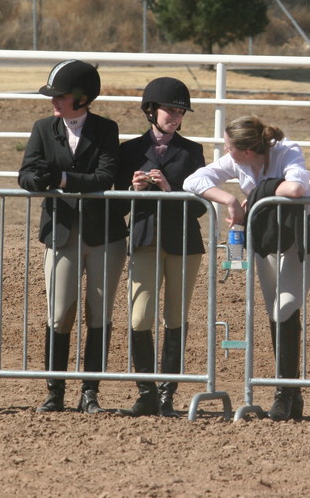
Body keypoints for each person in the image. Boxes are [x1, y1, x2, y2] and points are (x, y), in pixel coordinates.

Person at [183, 116, 310, 422]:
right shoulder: (237, 163)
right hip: (267, 233)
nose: (223, 149)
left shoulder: (286, 151)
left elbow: (298, 187)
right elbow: (192, 181)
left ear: (246, 151)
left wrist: (259, 193)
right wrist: (231, 201)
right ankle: (289, 393)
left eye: (227, 145)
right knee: (274, 308)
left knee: (285, 307)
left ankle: (285, 392)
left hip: (300, 233)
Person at [18, 60, 128, 414]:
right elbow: (27, 172)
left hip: (104, 235)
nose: (54, 103)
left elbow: (104, 177)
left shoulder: (106, 130)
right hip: (61, 233)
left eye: (60, 96)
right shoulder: (43, 128)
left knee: (98, 313)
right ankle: (55, 390)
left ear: (82, 98)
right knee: (60, 312)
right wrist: (36, 181)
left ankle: (90, 392)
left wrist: (61, 179)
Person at [116, 77, 206, 417]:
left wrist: (170, 189)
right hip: (143, 241)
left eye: (181, 111)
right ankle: (146, 392)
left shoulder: (192, 151)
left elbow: (200, 207)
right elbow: (117, 206)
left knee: (175, 317)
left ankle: (167, 395)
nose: (177, 116)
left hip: (184, 243)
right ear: (151, 111)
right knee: (140, 317)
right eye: (171, 109)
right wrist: (132, 189)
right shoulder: (129, 151)